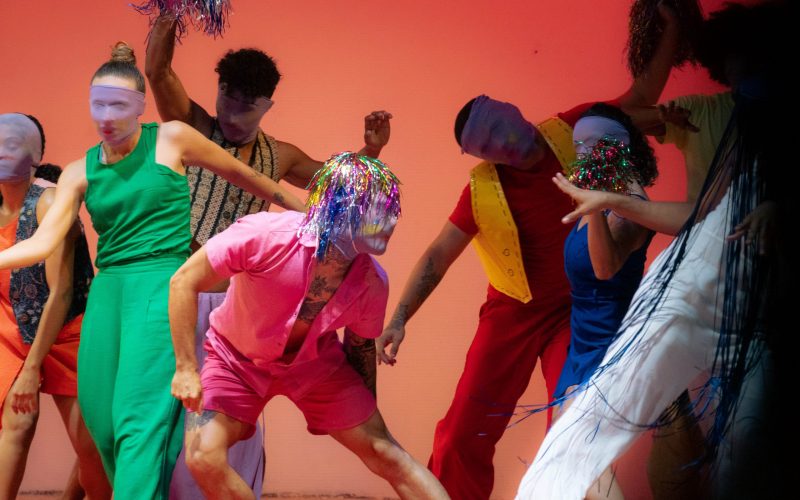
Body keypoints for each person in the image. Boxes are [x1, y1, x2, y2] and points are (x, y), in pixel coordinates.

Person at [0, 43, 304, 500]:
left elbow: (253, 180)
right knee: (99, 427)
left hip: (160, 285)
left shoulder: (170, 138)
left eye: (119, 104)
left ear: (140, 106)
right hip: (108, 296)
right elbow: (42, 242)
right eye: (98, 103)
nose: (106, 115)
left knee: (138, 425)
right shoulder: (80, 170)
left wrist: (313, 218)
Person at [515, 3, 790, 498]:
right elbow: (702, 207)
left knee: (739, 444)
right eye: (730, 73)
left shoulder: (633, 201)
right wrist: (601, 200)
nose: (737, 83)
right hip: (631, 325)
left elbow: (607, 264)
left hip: (681, 311)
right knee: (586, 441)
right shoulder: (721, 126)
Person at [144, 18, 393, 497]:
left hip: (241, 308)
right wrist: (171, 11)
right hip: (183, 289)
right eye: (227, 97)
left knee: (230, 431)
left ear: (268, 106)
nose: (233, 113)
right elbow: (157, 71)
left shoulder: (279, 156)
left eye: (248, 104)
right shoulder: (195, 127)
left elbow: (343, 195)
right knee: (156, 409)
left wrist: (371, 150)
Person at [169, 152, 448, 500]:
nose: (391, 222)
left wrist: (364, 414)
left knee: (384, 452)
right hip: (235, 359)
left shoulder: (372, 282)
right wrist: (185, 367)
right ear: (340, 208)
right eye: (380, 211)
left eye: (392, 211)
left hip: (315, 365)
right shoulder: (264, 235)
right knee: (203, 458)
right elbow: (183, 281)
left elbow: (359, 346)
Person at [550, 103, 658, 499]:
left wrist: (593, 205)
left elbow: (604, 268)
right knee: (573, 459)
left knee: (583, 457)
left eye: (590, 145)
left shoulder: (631, 205)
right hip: (584, 339)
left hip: (609, 340)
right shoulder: (600, 196)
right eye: (576, 146)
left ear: (615, 146)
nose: (581, 155)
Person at [0, 113, 110, 499]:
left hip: (66, 330)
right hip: (12, 329)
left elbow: (60, 293)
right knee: (19, 419)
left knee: (92, 447)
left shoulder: (48, 202)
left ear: (33, 156)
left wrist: (32, 369)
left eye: (10, 146)